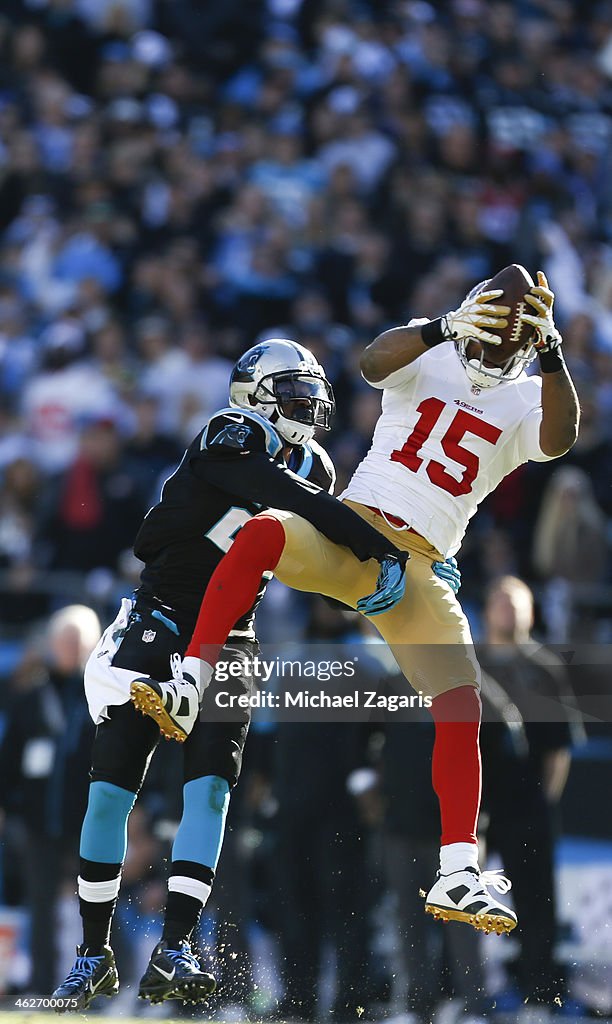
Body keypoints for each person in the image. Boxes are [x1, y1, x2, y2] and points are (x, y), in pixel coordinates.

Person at [157, 269, 579, 942]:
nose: (496, 348)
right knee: (262, 530)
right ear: (469, 313)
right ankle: (192, 676)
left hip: (420, 567)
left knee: (460, 700)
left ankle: (458, 868)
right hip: (351, 529)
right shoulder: (431, 349)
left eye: (512, 341)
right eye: (489, 330)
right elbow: (372, 361)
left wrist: (553, 355)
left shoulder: (529, 392)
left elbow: (559, 438)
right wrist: (443, 325)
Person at [51, 339, 422, 1012]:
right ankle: (92, 951)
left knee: (213, 793)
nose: (307, 408)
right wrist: (375, 544)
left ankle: (176, 948)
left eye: (313, 395)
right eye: (293, 392)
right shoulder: (233, 433)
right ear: (253, 393)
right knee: (111, 792)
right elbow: (284, 498)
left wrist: (407, 559)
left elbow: (321, 536)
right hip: (160, 622)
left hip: (233, 638)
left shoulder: (311, 463)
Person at [478, 575, 584, 1007]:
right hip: (477, 807)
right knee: (460, 903)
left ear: (531, 611)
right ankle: (461, 996)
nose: (508, 607)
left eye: (516, 600)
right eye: (499, 599)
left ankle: (539, 997)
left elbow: (560, 750)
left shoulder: (545, 669)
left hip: (528, 804)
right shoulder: (468, 663)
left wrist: (543, 800)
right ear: (485, 610)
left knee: (537, 906)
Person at [0, 605, 101, 994]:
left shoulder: (98, 695)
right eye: (64, 640)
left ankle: (105, 985)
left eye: (78, 641)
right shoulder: (32, 697)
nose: (70, 648)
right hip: (40, 820)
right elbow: (9, 758)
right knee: (40, 906)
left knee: (98, 904)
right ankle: (43, 989)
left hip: (88, 821)